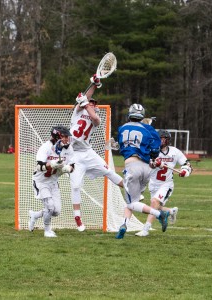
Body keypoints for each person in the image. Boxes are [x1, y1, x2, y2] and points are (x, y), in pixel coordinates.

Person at [69, 74, 124, 231]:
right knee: (76, 185)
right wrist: (94, 84)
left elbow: (94, 118)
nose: (92, 104)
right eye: (91, 102)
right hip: (75, 154)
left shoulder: (95, 117)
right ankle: (77, 217)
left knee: (108, 171)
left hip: (88, 152)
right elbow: (84, 100)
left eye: (93, 103)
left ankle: (129, 189)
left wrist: (86, 103)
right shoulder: (78, 112)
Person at [115, 104, 169, 239]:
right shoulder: (149, 129)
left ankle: (160, 214)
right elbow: (156, 150)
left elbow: (121, 146)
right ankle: (124, 225)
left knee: (131, 202)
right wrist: (152, 155)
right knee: (132, 201)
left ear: (129, 114)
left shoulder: (122, 128)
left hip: (132, 165)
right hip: (146, 168)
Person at [136, 129, 192, 237]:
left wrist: (185, 171)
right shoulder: (151, 151)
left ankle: (146, 229)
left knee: (154, 203)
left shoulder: (174, 152)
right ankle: (170, 211)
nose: (161, 142)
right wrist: (154, 163)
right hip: (153, 184)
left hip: (166, 184)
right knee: (155, 207)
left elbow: (186, 164)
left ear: (167, 140)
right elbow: (147, 164)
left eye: (163, 139)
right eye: (159, 139)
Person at [28, 126, 75, 238]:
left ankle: (35, 215)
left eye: (67, 137)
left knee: (56, 211)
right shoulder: (46, 147)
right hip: (41, 181)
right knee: (50, 206)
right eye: (64, 136)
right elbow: (39, 167)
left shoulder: (69, 149)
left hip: (53, 182)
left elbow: (72, 166)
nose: (66, 139)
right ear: (57, 136)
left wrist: (66, 169)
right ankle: (47, 230)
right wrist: (52, 164)